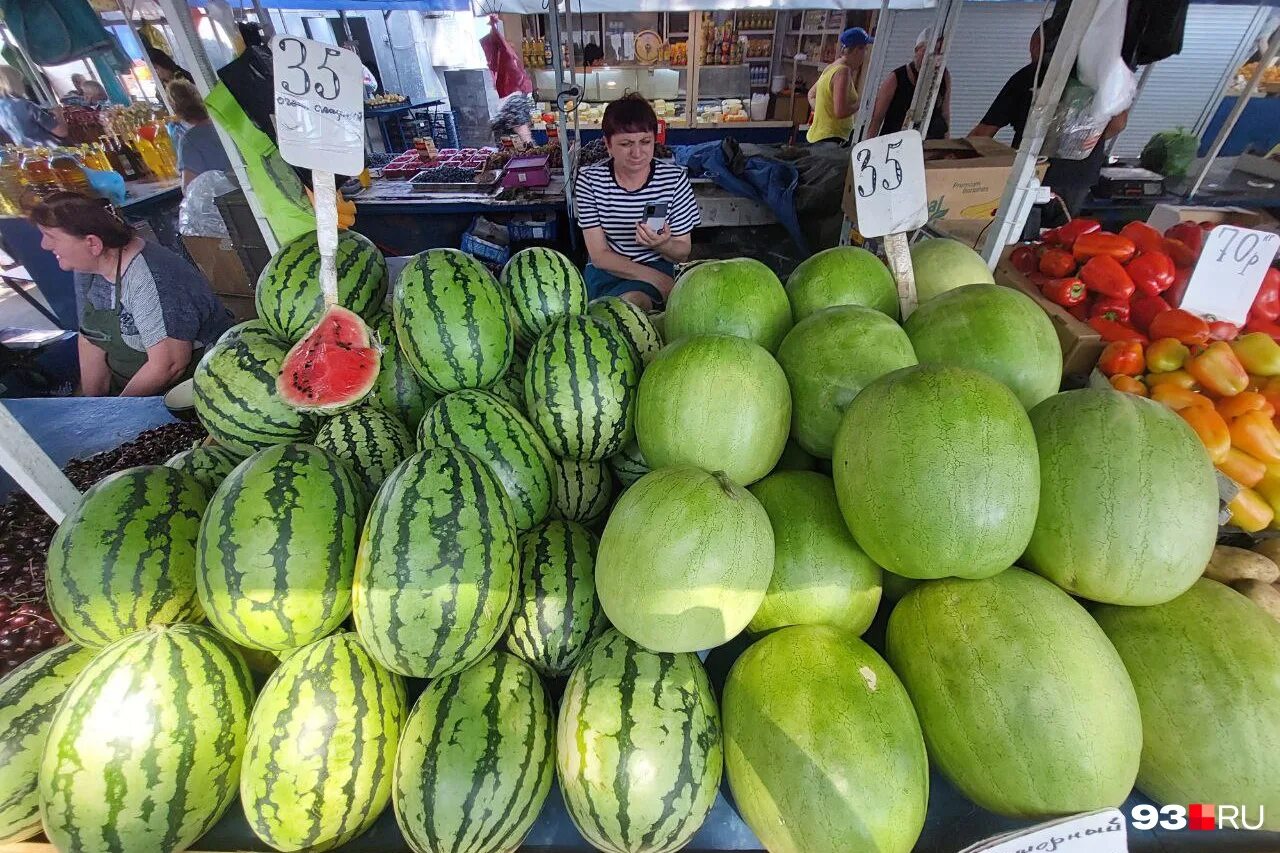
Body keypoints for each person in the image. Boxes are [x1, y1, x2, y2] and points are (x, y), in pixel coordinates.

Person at [31, 192, 233, 396]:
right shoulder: (88, 269)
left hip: (188, 390)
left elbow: (169, 366)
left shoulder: (152, 279)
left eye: (51, 237)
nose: (44, 245)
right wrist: (92, 405)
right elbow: (91, 338)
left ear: (92, 243)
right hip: (128, 392)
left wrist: (119, 413)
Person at [970, 23, 1129, 216]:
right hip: (1079, 176)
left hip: (1031, 172)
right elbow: (1118, 123)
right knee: (1059, 237)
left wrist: (955, 161)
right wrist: (1088, 141)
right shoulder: (1103, 78)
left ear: (1041, 45)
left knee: (1018, 230)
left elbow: (983, 132)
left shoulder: (1028, 76)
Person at [575, 94, 699, 310]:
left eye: (645, 141)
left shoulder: (674, 179)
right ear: (608, 144)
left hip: (657, 264)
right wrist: (657, 280)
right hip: (608, 271)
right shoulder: (590, 180)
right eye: (626, 144)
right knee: (623, 307)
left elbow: (682, 251)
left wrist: (662, 244)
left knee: (635, 303)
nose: (637, 153)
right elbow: (599, 255)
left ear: (655, 139)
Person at [868, 27, 951, 140]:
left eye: (938, 52)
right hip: (896, 142)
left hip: (930, 143)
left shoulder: (943, 75)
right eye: (927, 51)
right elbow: (877, 118)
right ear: (917, 50)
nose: (931, 57)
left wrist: (947, 145)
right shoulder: (896, 78)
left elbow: (945, 113)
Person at [806, 27, 873, 144]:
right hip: (830, 140)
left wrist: (824, 111)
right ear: (857, 50)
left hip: (819, 136)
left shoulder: (831, 67)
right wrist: (862, 104)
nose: (866, 54)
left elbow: (811, 94)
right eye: (865, 49)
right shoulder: (843, 72)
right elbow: (840, 112)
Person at [167, 79, 231, 188]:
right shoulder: (225, 122)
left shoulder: (189, 140)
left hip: (228, 200)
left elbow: (189, 188)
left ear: (175, 109)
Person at [0, 65, 66, 147]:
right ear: (13, 82)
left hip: (28, 155)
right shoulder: (26, 106)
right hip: (51, 152)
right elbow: (62, 132)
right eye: (20, 81)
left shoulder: (2, 108)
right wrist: (59, 114)